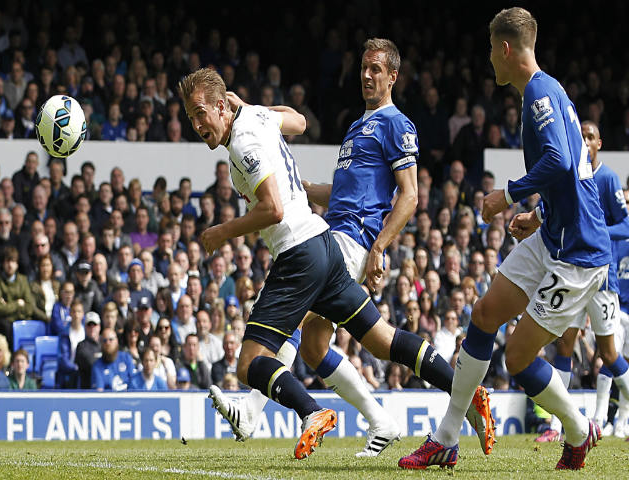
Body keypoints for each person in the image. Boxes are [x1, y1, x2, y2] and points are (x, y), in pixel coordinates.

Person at [189, 40, 490, 459]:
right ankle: (420, 405)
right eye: (364, 68)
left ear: (393, 76)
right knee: (341, 343)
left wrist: (380, 247)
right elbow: (340, 187)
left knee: (291, 325)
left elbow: (410, 196)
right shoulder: (356, 126)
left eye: (376, 69)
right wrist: (302, 186)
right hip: (330, 231)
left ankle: (256, 409)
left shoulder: (396, 124)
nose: (367, 76)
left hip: (350, 240)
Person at [401, 8, 610, 471]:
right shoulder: (550, 90)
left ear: (507, 48)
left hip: (579, 252)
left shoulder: (538, 93)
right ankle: (447, 438)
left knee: (517, 358)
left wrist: (508, 195)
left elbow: (557, 162)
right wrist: (537, 216)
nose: (489, 59)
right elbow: (572, 175)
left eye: (491, 50)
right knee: (483, 314)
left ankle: (577, 430)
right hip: (554, 233)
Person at [535, 122, 629, 442]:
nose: (586, 142)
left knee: (610, 355)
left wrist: (599, 233)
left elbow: (626, 224)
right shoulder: (569, 176)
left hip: (602, 276)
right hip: (572, 273)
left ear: (599, 143)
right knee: (565, 344)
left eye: (591, 137)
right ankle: (555, 427)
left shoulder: (608, 178)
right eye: (582, 137)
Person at [91, 327, 136, 391]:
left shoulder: (126, 358)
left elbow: (135, 384)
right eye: (104, 340)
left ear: (117, 341)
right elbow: (99, 394)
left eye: (111, 339)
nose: (108, 343)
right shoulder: (97, 367)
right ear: (101, 343)